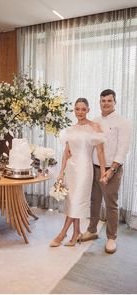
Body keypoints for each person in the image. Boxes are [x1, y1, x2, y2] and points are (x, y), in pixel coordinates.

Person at [50, 98, 106, 247]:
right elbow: (66, 153)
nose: (80, 112)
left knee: (76, 201)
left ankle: (62, 234)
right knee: (72, 201)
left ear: (88, 110)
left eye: (83, 109)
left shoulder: (94, 127)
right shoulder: (70, 129)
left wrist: (103, 172)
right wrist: (61, 172)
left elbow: (100, 152)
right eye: (77, 109)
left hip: (84, 169)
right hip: (71, 169)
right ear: (74, 110)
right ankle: (76, 233)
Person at [81, 89, 131, 254]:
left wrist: (111, 171)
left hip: (112, 170)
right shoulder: (95, 121)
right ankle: (92, 230)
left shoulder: (122, 122)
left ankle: (111, 237)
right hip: (94, 168)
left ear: (115, 102)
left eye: (109, 100)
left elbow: (123, 149)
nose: (106, 103)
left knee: (111, 205)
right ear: (99, 102)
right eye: (103, 101)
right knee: (94, 201)